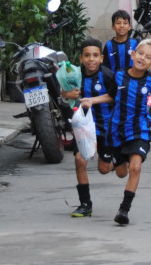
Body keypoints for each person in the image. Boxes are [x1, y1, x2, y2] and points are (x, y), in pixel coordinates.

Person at [80, 38, 151, 225]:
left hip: (139, 130)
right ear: (133, 54)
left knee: (136, 168)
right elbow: (110, 96)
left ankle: (124, 210)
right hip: (116, 132)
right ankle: (123, 160)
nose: (142, 58)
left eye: (148, 57)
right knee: (116, 172)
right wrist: (92, 100)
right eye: (140, 54)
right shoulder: (119, 76)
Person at [60, 38, 117, 218]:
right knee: (80, 160)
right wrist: (67, 94)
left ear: (101, 58)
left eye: (95, 56)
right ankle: (85, 204)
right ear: (81, 58)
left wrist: (93, 100)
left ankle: (119, 160)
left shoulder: (107, 75)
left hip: (105, 126)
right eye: (87, 56)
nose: (91, 59)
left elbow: (114, 96)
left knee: (104, 169)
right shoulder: (76, 75)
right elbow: (64, 93)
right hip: (83, 127)